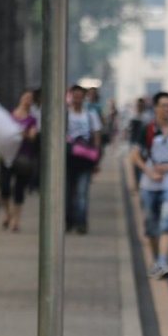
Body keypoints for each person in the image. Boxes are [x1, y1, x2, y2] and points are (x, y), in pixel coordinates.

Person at [131, 92, 168, 278]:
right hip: (149, 185)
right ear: (155, 108)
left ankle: (163, 262)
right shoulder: (146, 129)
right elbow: (134, 155)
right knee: (151, 226)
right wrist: (150, 172)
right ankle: (157, 260)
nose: (167, 109)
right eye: (163, 105)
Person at [0, 90, 39, 232]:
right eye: (26, 97)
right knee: (4, 187)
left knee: (19, 189)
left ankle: (16, 219)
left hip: (23, 157)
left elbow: (33, 137)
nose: (27, 100)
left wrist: (24, 133)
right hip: (7, 155)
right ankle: (7, 213)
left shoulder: (32, 119)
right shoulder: (10, 115)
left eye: (30, 98)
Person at [65, 84, 102, 234]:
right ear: (71, 97)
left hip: (85, 159)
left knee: (82, 193)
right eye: (75, 96)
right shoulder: (65, 114)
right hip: (68, 158)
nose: (77, 99)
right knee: (68, 193)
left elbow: (97, 136)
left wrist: (97, 158)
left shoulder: (90, 115)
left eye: (80, 96)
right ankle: (69, 220)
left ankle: (81, 222)